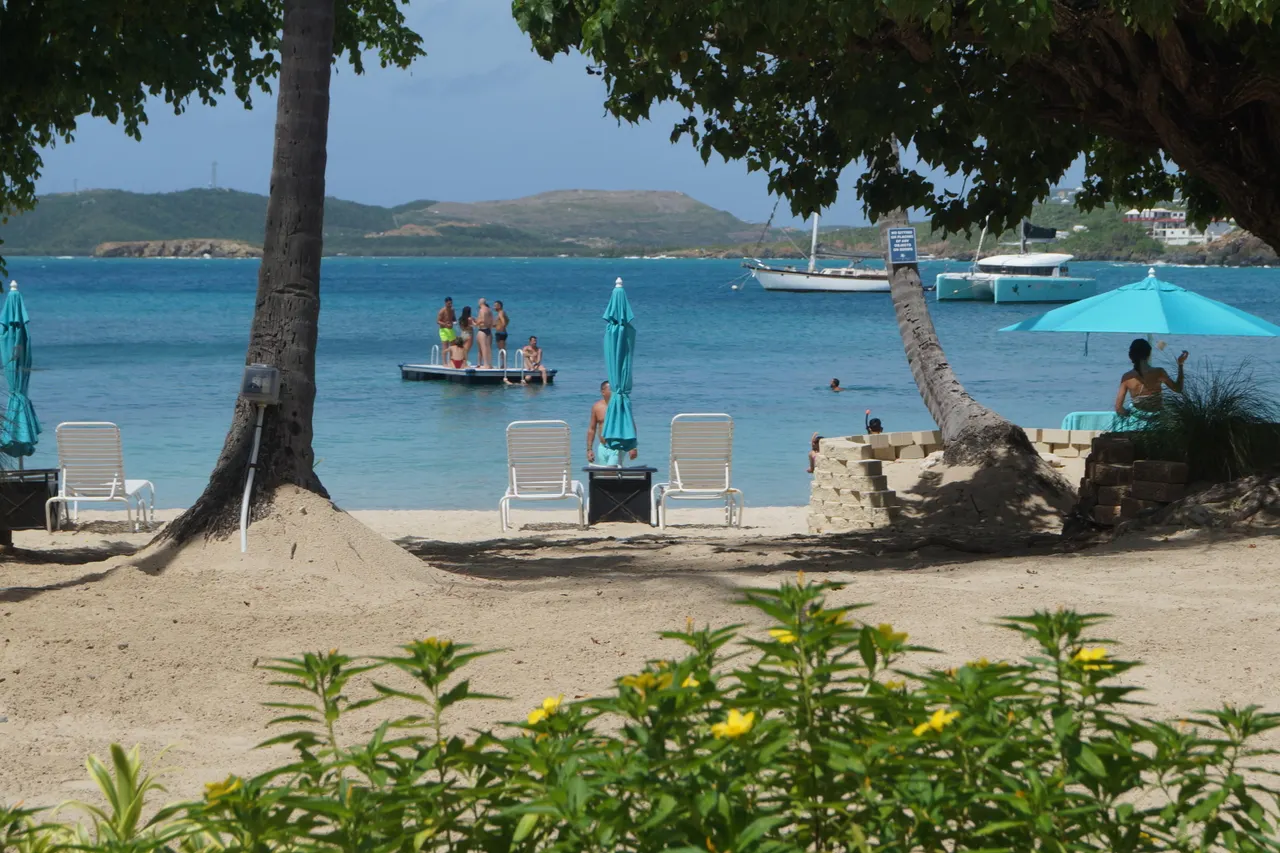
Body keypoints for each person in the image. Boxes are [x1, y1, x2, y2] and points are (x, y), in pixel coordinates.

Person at [1115, 338, 1187, 416]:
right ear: (1149, 355)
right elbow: (1178, 389)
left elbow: (1118, 408)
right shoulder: (1159, 372)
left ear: (1131, 356)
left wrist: (1130, 415)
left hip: (1137, 419)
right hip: (1157, 418)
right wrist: (1180, 364)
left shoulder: (1127, 378)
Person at [587, 379, 639, 465]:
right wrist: (589, 449)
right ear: (603, 392)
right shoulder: (597, 407)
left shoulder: (621, 406)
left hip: (617, 447)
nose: (614, 392)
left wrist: (633, 447)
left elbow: (630, 425)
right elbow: (592, 429)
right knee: (604, 472)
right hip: (602, 447)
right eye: (611, 389)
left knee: (611, 470)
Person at [475, 298, 494, 369]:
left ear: (480, 303)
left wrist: (476, 323)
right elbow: (492, 320)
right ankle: (489, 364)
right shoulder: (489, 310)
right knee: (488, 348)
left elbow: (483, 319)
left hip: (482, 329)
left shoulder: (481, 310)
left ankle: (485, 364)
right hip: (488, 330)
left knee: (483, 348)